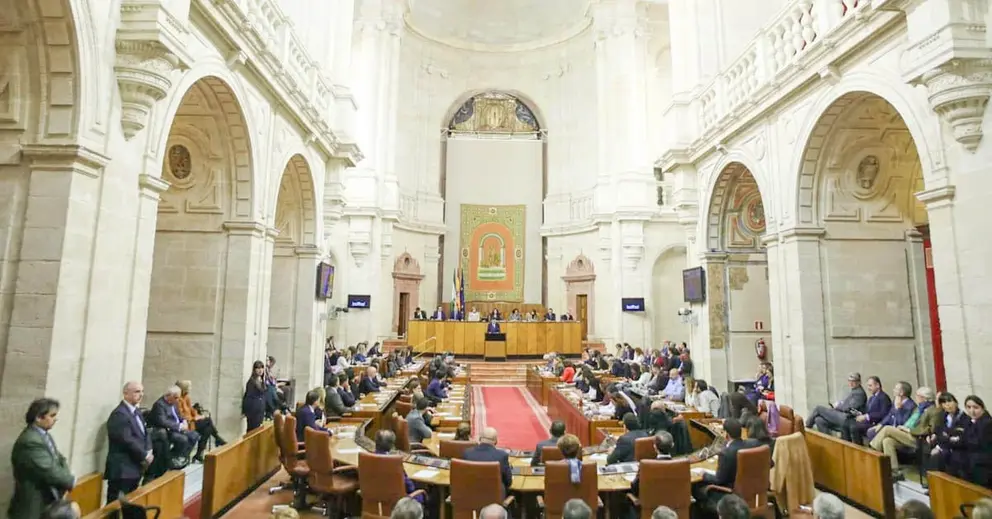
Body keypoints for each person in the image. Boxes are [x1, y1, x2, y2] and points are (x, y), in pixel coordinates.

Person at [9, 398, 76, 519]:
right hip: (33, 506)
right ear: (38, 418)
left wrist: (66, 476)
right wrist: (69, 480)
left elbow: (60, 459)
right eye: (52, 415)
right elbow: (49, 470)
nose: (55, 419)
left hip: (46, 501)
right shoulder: (30, 441)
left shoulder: (44, 436)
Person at [104, 381, 153, 504]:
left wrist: (149, 449)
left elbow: (145, 433)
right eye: (137, 391)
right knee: (115, 505)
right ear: (125, 394)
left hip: (135, 467)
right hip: (122, 470)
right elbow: (126, 440)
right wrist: (145, 455)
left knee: (129, 504)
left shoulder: (137, 412)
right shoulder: (119, 414)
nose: (141, 394)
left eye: (142, 391)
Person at [694, 418, 748, 507]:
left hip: (727, 490)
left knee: (696, 486)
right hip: (745, 489)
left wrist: (704, 474)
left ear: (726, 433)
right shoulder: (747, 446)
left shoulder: (726, 453)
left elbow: (719, 480)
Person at [805, 372, 868, 439]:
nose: (851, 383)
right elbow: (846, 404)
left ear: (859, 382)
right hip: (843, 416)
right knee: (819, 420)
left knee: (818, 408)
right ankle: (828, 441)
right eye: (849, 381)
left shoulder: (859, 393)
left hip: (848, 418)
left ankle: (806, 428)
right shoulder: (854, 390)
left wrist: (838, 406)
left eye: (853, 381)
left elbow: (850, 408)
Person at [175, 380, 225, 462]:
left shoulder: (186, 397)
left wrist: (197, 416)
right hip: (187, 424)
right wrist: (195, 418)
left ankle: (199, 454)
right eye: (189, 387)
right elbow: (180, 415)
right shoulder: (177, 400)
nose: (190, 388)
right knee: (208, 421)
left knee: (207, 430)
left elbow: (191, 409)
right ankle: (217, 438)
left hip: (192, 421)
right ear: (184, 388)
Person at [374, 431, 425, 504]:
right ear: (391, 445)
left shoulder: (367, 459)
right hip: (400, 503)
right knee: (423, 493)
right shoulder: (394, 463)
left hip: (375, 501)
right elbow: (409, 487)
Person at [462, 427, 513, 495]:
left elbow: (463, 478)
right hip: (494, 497)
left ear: (480, 438)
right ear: (496, 441)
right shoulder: (502, 455)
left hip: (471, 495)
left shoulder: (467, 453)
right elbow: (508, 482)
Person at [844, 376, 892, 444]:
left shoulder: (884, 397)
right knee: (846, 423)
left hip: (876, 424)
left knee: (854, 427)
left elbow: (883, 414)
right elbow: (867, 411)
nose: (868, 388)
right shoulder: (871, 398)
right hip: (868, 421)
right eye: (868, 386)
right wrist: (860, 414)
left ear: (877, 385)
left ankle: (857, 448)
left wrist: (866, 417)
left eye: (870, 386)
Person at [630, 431, 674, 495]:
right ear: (672, 445)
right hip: (674, 499)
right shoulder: (682, 466)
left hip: (650, 500)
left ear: (655, 447)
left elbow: (635, 488)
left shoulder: (646, 466)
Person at [243, 360, 267, 432]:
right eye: (258, 368)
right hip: (253, 411)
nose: (260, 370)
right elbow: (248, 397)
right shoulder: (251, 382)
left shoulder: (261, 381)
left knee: (257, 431)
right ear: (254, 369)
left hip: (260, 411)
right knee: (252, 431)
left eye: (262, 368)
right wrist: (247, 411)